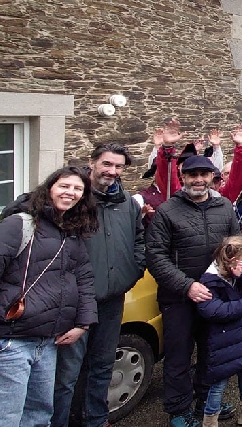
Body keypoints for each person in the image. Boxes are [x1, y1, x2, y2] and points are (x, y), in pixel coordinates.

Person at [52, 144, 145, 427]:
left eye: (118, 167)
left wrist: (133, 271)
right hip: (74, 302)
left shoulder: (127, 202)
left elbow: (138, 240)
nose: (112, 171)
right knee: (66, 374)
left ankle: (95, 419)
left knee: (103, 365)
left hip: (111, 299)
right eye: (107, 164)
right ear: (92, 163)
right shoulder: (73, 198)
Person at [146, 155, 241, 427]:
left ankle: (206, 401)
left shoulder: (224, 206)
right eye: (192, 175)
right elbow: (155, 255)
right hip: (179, 297)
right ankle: (178, 409)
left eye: (204, 174)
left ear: (212, 177)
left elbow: (234, 245)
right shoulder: (168, 211)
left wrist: (234, 272)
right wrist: (186, 286)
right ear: (183, 177)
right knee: (179, 356)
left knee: (211, 352)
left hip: (215, 295)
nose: (198, 180)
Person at [0, 167, 98, 427]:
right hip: (12, 341)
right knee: (8, 416)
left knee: (40, 415)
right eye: (65, 186)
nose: (71, 193)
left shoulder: (72, 232)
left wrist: (82, 324)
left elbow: (84, 280)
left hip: (48, 341)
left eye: (78, 189)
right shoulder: (19, 224)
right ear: (50, 188)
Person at [197, 236, 242, 427]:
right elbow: (211, 310)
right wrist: (241, 305)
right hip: (224, 343)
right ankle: (210, 420)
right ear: (234, 258)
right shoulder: (210, 279)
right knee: (219, 382)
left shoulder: (241, 271)